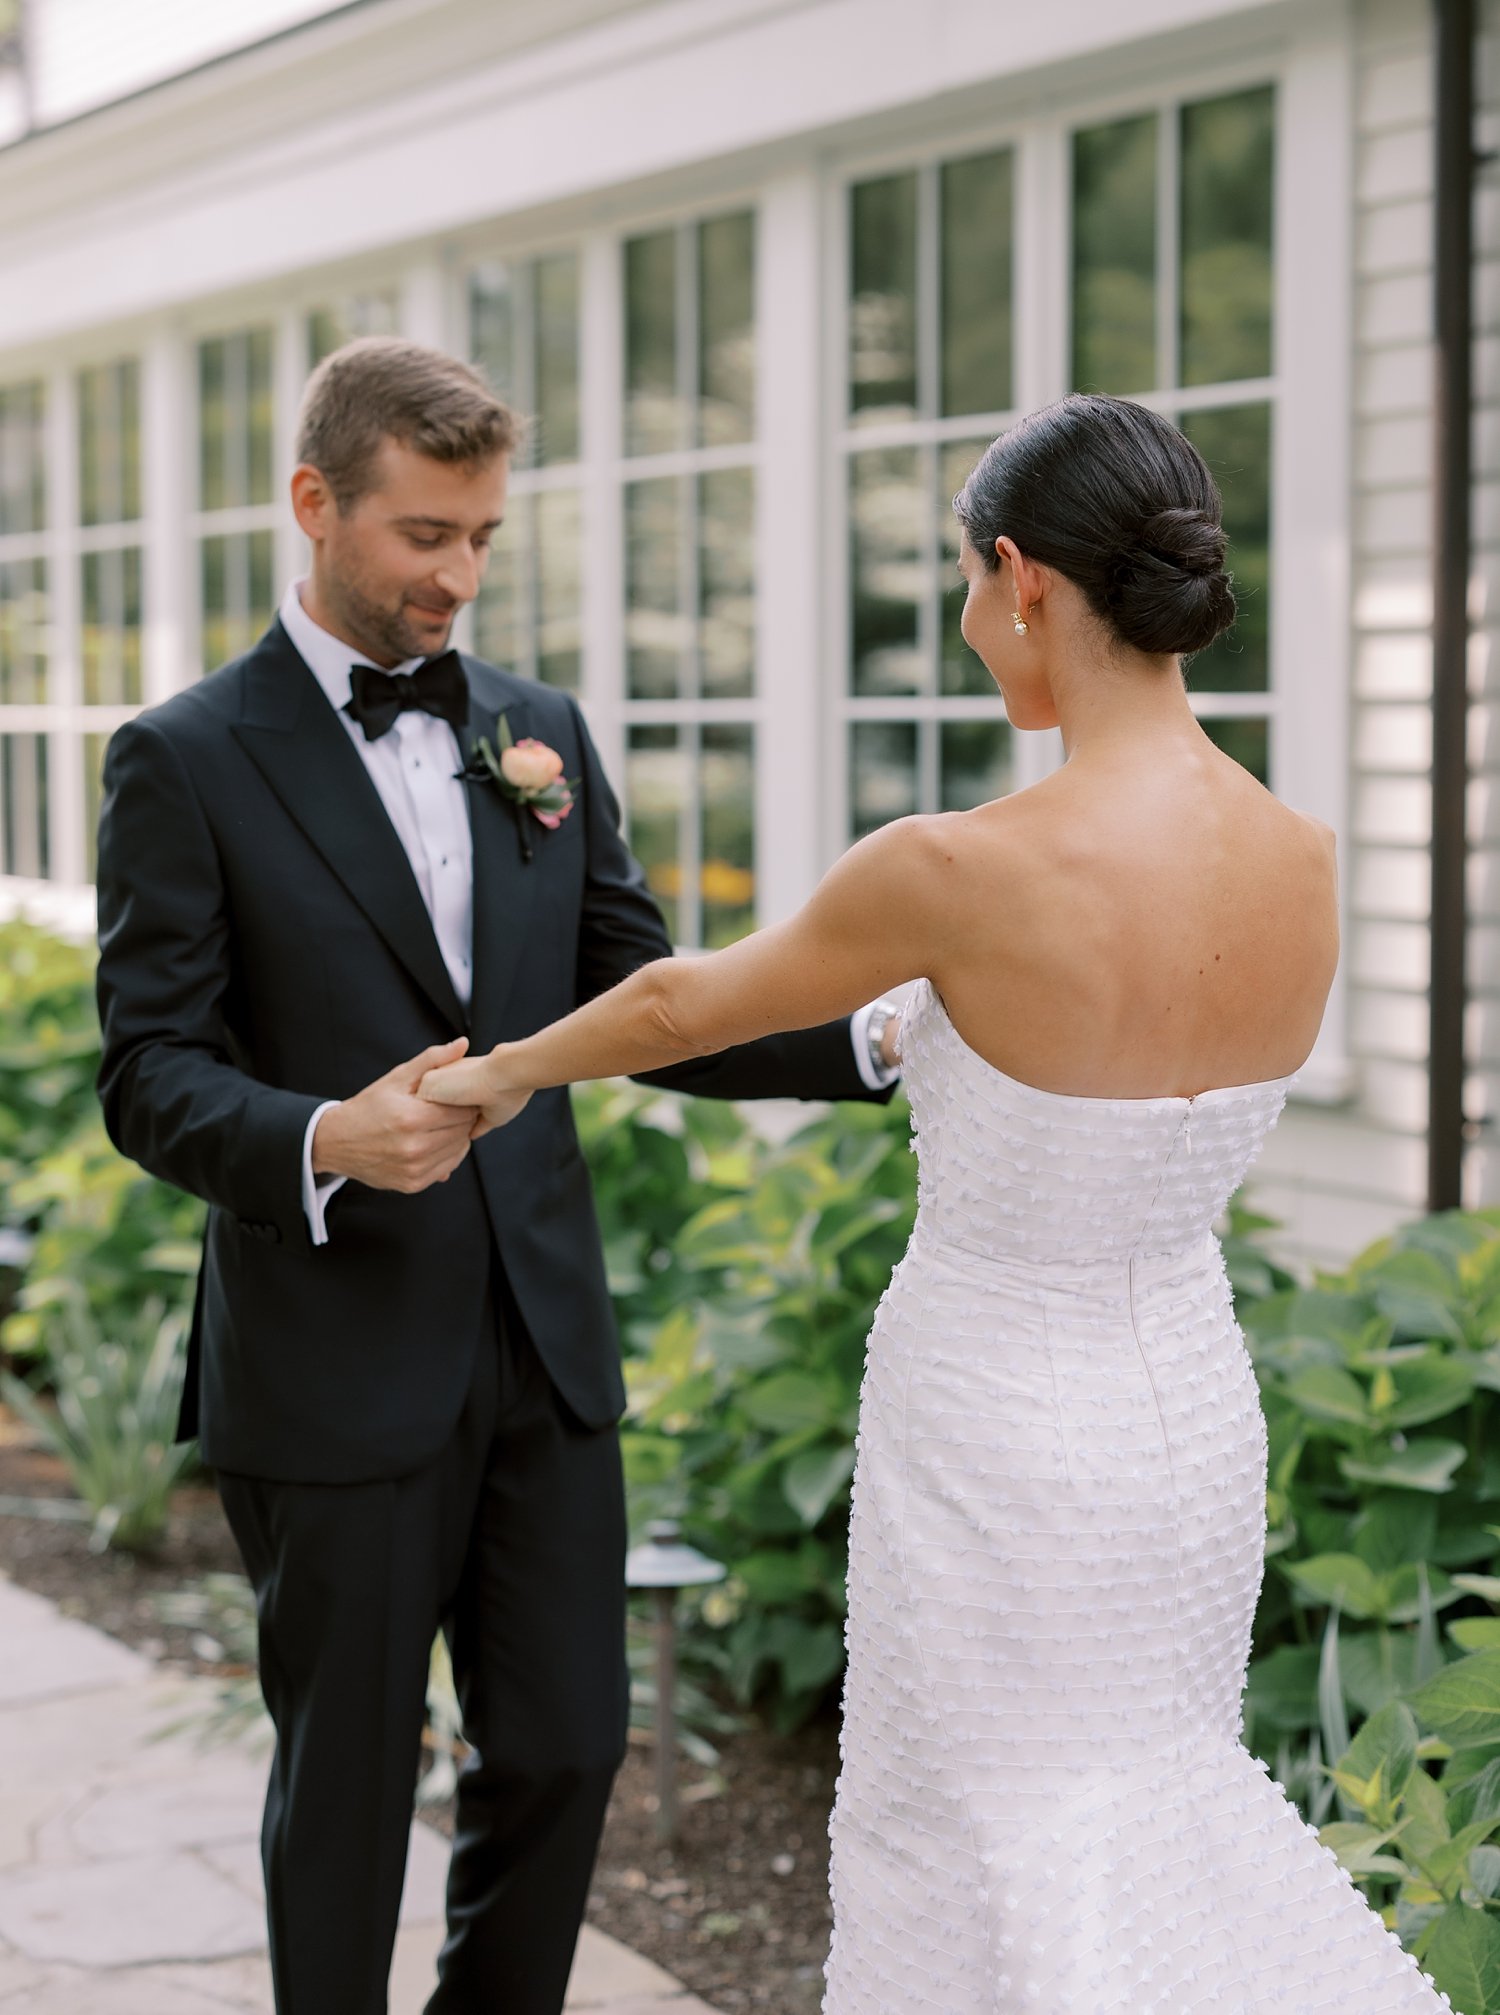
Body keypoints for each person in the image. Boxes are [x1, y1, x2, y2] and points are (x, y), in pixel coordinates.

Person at [423, 394, 1447, 2011]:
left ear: (1025, 578)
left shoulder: (965, 869)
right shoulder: (1301, 857)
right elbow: (1118, 1068)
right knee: (1145, 1810)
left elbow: (690, 1005)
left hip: (1001, 1434)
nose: (973, 630)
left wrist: (493, 1074)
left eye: (971, 589)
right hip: (1185, 1409)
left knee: (980, 1838)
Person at [92, 335, 900, 2015]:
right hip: (329, 1368)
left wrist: (878, 1041)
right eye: (422, 537)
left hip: (543, 1348)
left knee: (562, 1753)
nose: (458, 575)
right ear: (315, 505)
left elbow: (649, 1007)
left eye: (481, 539)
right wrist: (324, 1138)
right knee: (348, 1795)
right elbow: (147, 1075)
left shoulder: (538, 734)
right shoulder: (183, 760)